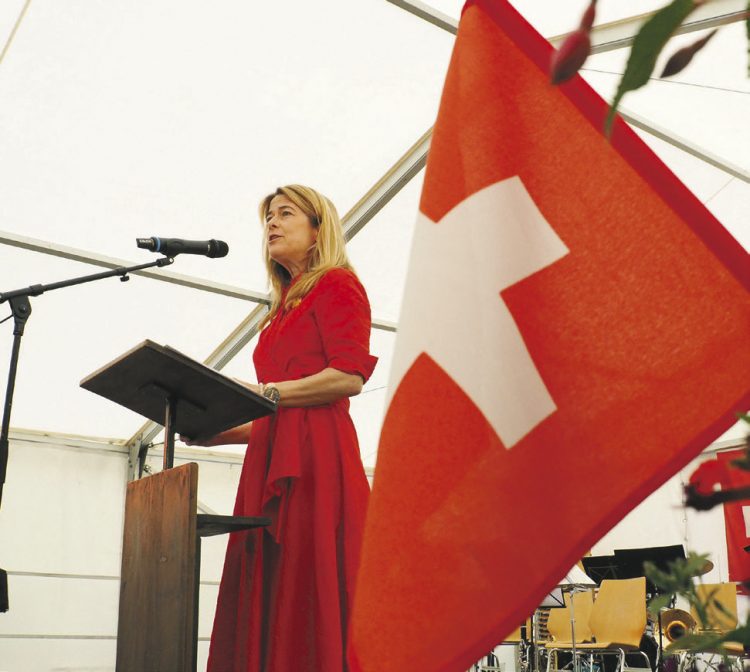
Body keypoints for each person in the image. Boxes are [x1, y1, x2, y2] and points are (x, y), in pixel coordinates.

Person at [200, 184, 377, 672]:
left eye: (285, 214)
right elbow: (273, 414)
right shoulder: (277, 312)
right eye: (268, 218)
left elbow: (347, 376)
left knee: (309, 579)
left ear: (319, 228)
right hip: (271, 460)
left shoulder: (339, 285)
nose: (271, 225)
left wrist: (263, 395)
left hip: (319, 459)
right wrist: (215, 427)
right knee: (271, 580)